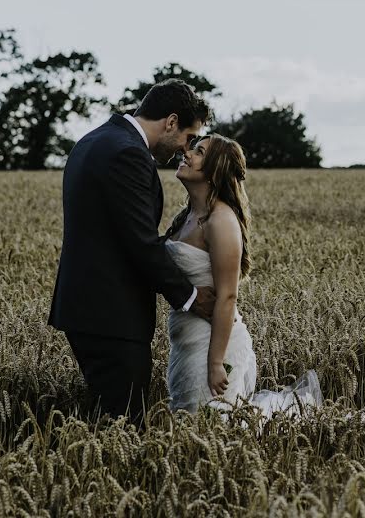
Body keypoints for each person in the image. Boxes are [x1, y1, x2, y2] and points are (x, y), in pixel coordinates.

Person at [49, 79, 217, 425]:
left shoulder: (94, 140)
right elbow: (139, 241)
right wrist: (189, 296)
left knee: (109, 421)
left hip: (88, 309)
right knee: (124, 423)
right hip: (111, 314)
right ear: (170, 122)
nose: (185, 149)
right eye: (188, 137)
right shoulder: (126, 153)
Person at [165, 134, 322, 416]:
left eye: (198, 152)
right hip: (185, 340)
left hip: (214, 346)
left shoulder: (221, 220)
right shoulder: (187, 216)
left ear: (214, 172)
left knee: (211, 426)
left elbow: (227, 295)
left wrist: (215, 363)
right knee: (192, 426)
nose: (187, 154)